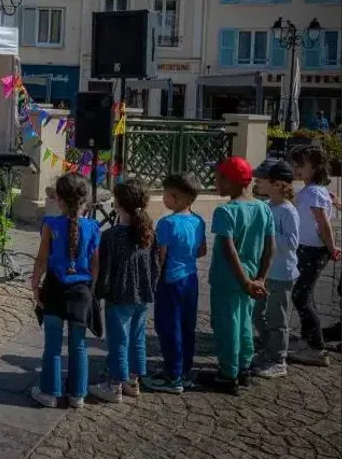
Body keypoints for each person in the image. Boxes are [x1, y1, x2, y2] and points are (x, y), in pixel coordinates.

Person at [29, 172, 100, 409]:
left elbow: (41, 260)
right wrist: (92, 289)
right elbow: (95, 265)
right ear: (85, 201)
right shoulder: (93, 227)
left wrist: (35, 284)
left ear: (59, 200)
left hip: (55, 288)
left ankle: (49, 392)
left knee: (53, 343)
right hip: (81, 290)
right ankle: (77, 394)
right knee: (79, 345)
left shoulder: (50, 225)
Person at [90, 178, 158, 404]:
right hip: (142, 294)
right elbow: (155, 265)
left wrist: (98, 293)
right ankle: (132, 381)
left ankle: (114, 386)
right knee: (137, 339)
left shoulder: (111, 236)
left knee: (119, 340)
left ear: (118, 203)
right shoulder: (149, 231)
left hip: (119, 295)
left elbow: (104, 271)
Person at [208, 156, 272, 394]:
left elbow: (229, 249)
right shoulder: (263, 208)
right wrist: (260, 278)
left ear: (229, 181)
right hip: (252, 279)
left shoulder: (226, 211)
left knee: (227, 326)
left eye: (218, 178)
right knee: (245, 323)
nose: (215, 183)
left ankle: (228, 374)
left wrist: (244, 280)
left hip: (228, 281)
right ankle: (244, 367)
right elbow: (270, 247)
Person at [145, 173, 207, 394]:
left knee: (169, 327)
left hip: (170, 280)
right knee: (187, 325)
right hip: (190, 278)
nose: (163, 198)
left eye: (166, 194)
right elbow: (202, 250)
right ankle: (184, 370)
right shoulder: (198, 220)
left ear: (177, 197)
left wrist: (153, 279)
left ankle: (172, 375)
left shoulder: (167, 223)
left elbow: (161, 256)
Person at [288, 146, 339, 367]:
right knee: (302, 295)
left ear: (316, 167)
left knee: (301, 296)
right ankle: (308, 339)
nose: (296, 169)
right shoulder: (311, 190)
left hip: (314, 250)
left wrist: (332, 246)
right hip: (307, 249)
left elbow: (323, 223)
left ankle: (316, 348)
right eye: (294, 164)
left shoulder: (315, 192)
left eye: (300, 165)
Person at [251, 161, 300, 379]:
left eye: (261, 180)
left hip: (281, 274)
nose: (256, 182)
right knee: (257, 314)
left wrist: (269, 233)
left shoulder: (288, 211)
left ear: (278, 184)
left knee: (277, 318)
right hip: (266, 272)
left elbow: (292, 242)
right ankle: (268, 349)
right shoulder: (267, 205)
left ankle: (279, 360)